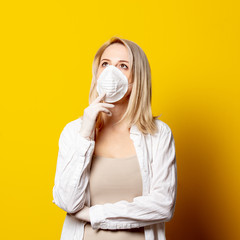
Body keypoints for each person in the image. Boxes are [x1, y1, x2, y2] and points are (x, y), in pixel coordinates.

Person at [52, 36, 177, 240]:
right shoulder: (73, 132)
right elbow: (67, 201)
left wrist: (93, 214)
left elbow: (163, 205)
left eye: (123, 66)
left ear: (137, 78)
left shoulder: (158, 134)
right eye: (105, 64)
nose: (111, 72)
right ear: (97, 72)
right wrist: (85, 134)